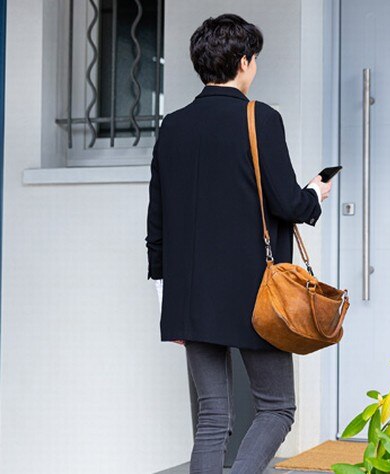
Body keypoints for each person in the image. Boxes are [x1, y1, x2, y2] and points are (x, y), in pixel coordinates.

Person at [145, 13, 332, 474]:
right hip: (256, 295)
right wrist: (315, 193)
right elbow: (288, 203)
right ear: (244, 61)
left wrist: (164, 290)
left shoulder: (173, 125)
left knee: (212, 419)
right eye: (255, 60)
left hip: (189, 294)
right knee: (276, 409)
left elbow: (158, 215)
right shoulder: (260, 118)